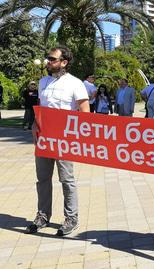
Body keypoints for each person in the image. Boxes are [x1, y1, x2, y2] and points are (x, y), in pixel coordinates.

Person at [26, 46, 90, 236]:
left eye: (52, 59)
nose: (48, 62)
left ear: (64, 62)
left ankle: (71, 218)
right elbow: (41, 107)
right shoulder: (43, 82)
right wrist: (34, 125)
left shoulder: (75, 83)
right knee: (42, 179)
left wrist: (78, 136)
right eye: (48, 58)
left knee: (66, 179)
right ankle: (43, 216)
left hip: (65, 139)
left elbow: (85, 112)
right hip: (44, 138)